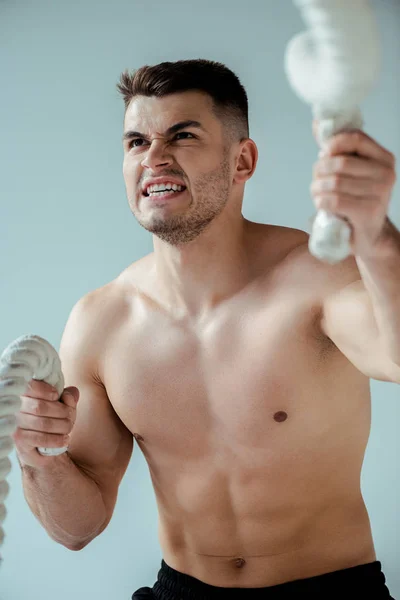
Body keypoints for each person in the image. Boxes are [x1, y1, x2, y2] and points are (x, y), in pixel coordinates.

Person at [13, 60, 399, 599]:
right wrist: (38, 457)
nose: (154, 158)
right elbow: (77, 529)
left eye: (182, 135)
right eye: (135, 141)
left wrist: (377, 234)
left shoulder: (317, 277)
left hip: (332, 590)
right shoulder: (103, 322)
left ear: (242, 160)